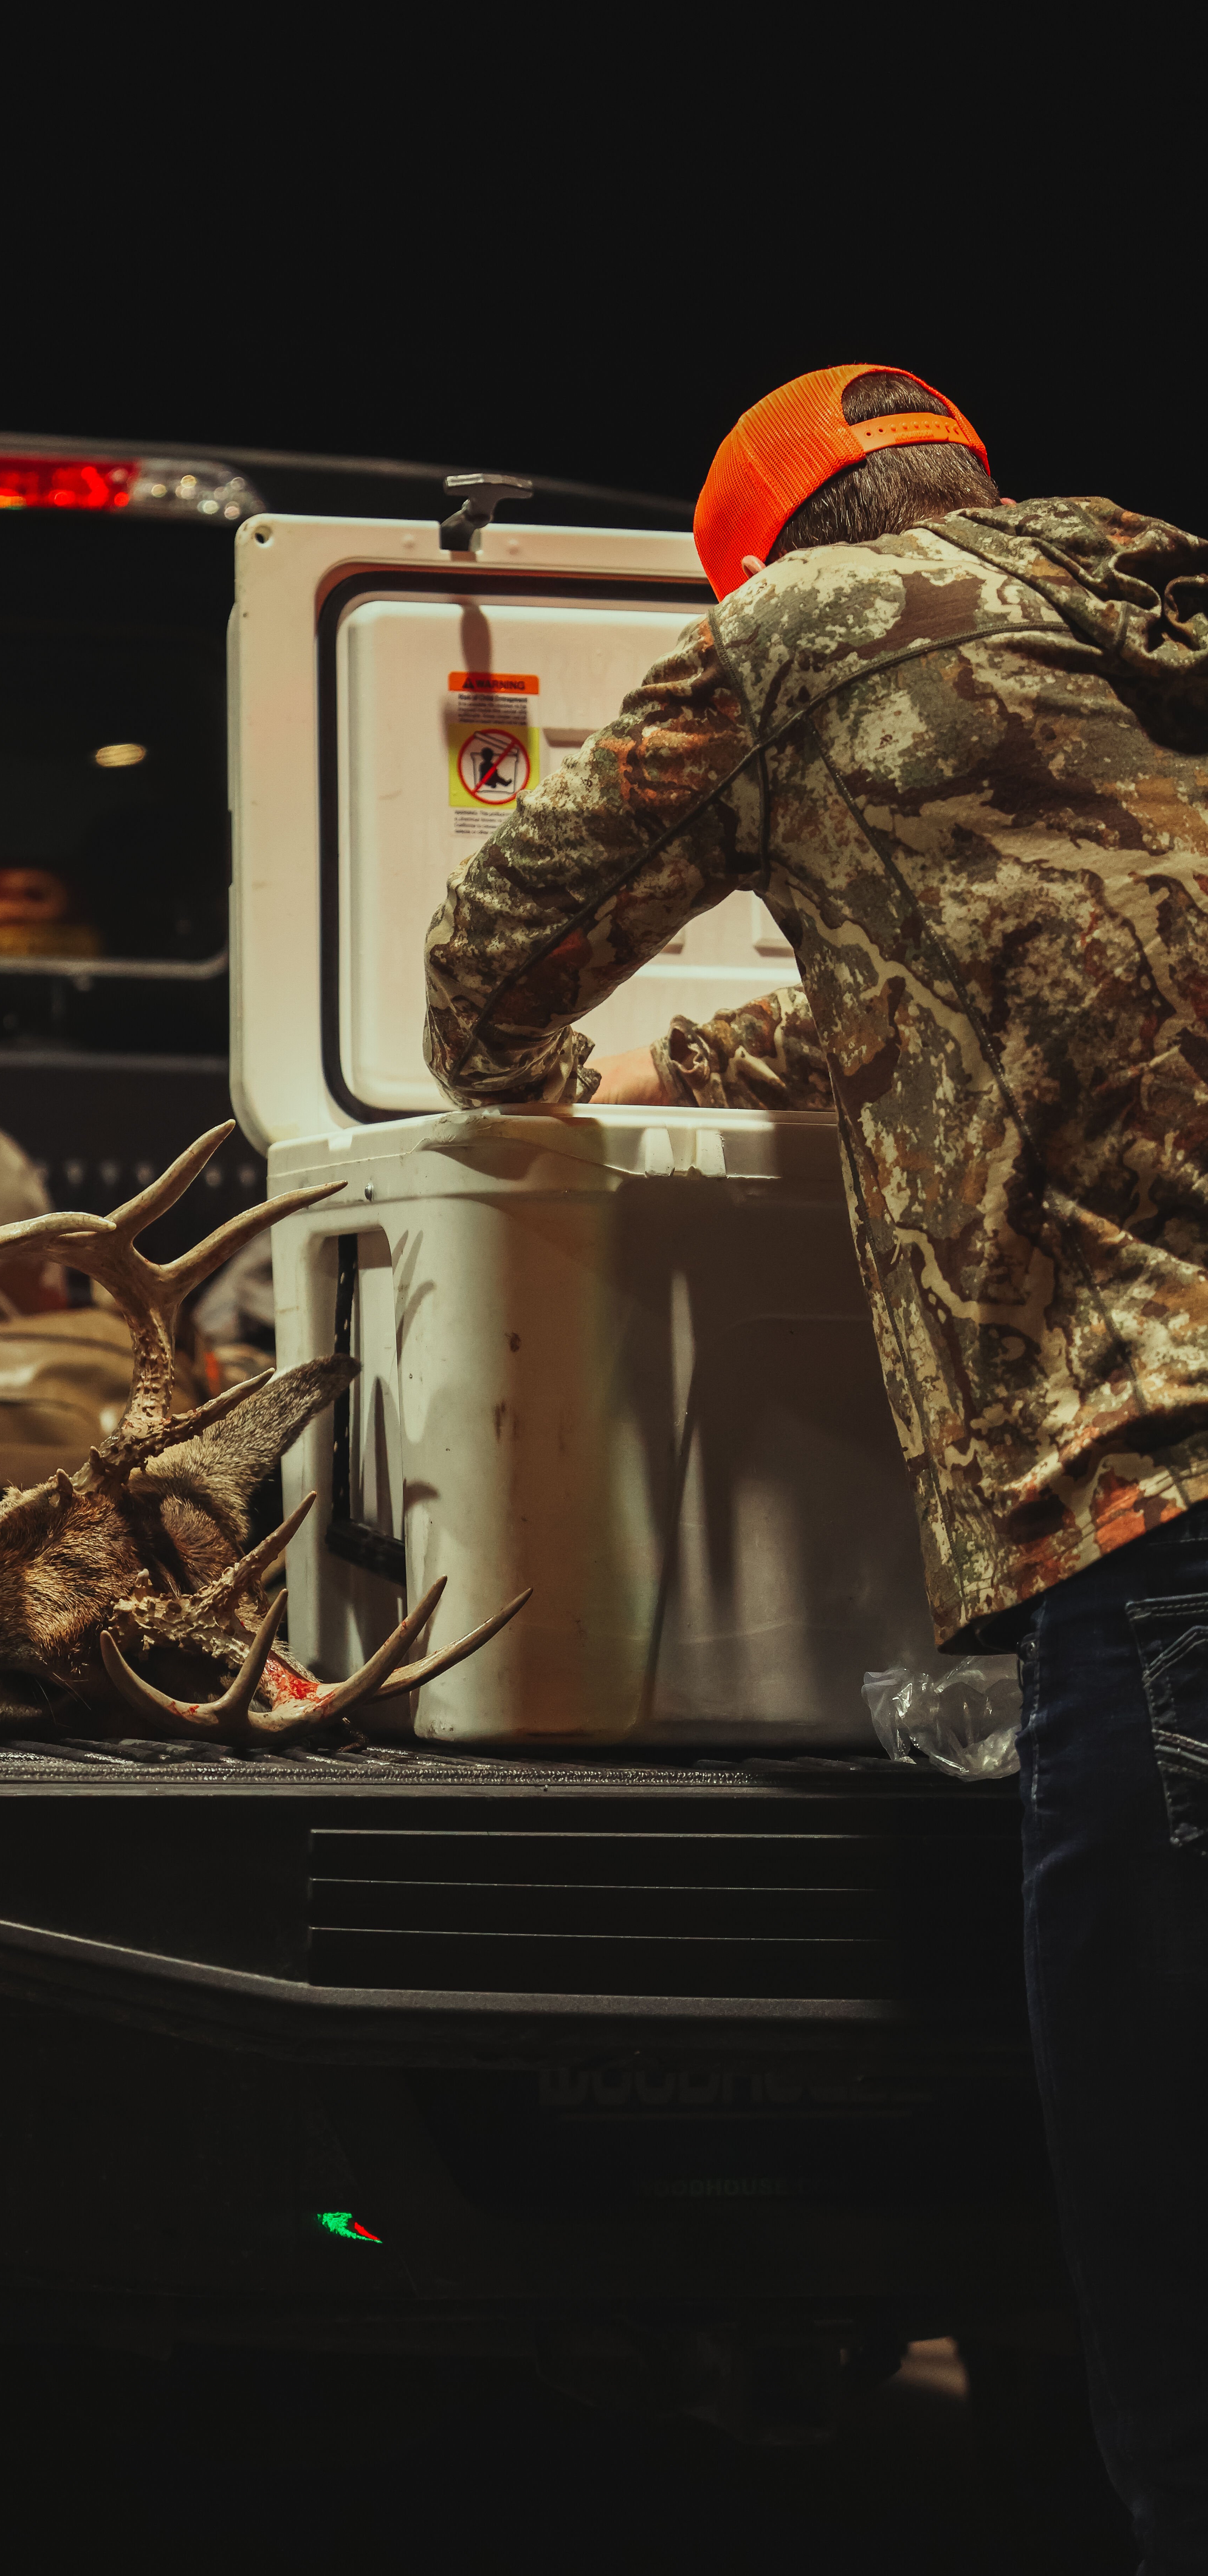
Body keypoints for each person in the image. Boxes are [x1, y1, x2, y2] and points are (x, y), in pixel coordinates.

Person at [423, 366, 1208, 2570]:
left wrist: (535, 1071)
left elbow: (489, 956)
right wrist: (757, 1034)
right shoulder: (1148, 608)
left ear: (765, 553)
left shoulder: (796, 640)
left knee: (1172, 2259)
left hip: (1160, 1512)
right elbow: (1064, 950)